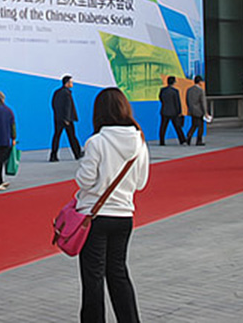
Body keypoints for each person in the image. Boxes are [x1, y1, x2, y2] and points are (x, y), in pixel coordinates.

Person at [75, 87, 149, 323]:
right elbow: (140, 183)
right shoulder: (139, 141)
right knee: (118, 273)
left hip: (95, 217)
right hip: (124, 215)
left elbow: (85, 180)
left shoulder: (96, 142)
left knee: (93, 278)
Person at [50, 75, 82, 162]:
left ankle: (53, 155)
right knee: (72, 137)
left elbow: (53, 104)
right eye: (71, 82)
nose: (72, 83)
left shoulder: (57, 92)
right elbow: (68, 107)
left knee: (56, 136)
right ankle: (77, 153)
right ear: (67, 83)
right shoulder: (67, 93)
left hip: (58, 118)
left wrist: (58, 115)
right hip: (67, 119)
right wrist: (67, 119)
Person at [157, 76, 185, 146]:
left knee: (163, 127)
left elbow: (160, 98)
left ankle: (162, 141)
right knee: (177, 127)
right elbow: (177, 102)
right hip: (173, 112)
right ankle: (182, 140)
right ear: (174, 82)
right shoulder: (175, 91)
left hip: (164, 110)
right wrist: (179, 112)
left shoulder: (163, 90)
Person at [184, 76, 207, 146]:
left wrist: (190, 108)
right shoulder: (201, 91)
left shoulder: (189, 90)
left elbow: (187, 100)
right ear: (199, 82)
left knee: (194, 125)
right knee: (200, 126)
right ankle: (199, 140)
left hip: (192, 110)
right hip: (199, 111)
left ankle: (189, 136)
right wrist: (205, 112)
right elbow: (203, 102)